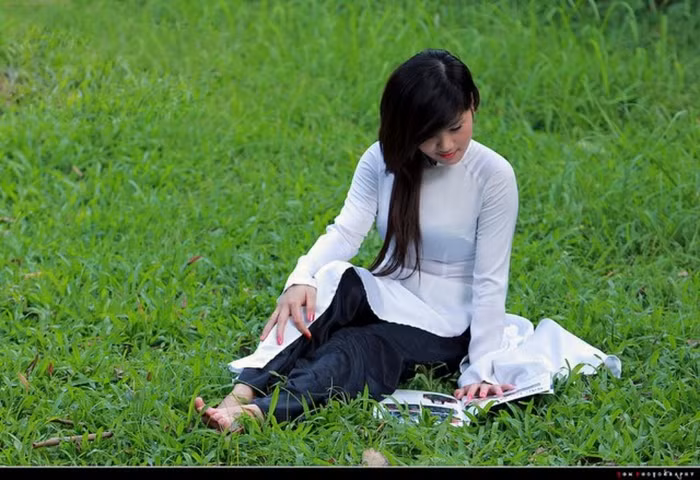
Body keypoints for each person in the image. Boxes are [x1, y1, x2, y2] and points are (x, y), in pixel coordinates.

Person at [194, 48, 522, 432]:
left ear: (472, 104)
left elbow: (490, 279)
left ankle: (258, 414)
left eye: (455, 127)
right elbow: (346, 231)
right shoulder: (382, 160)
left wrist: (481, 369)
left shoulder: (493, 176)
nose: (446, 144)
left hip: (447, 324)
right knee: (332, 277)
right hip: (392, 294)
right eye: (428, 134)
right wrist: (300, 278)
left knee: (356, 346)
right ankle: (241, 393)